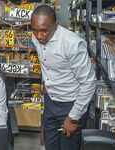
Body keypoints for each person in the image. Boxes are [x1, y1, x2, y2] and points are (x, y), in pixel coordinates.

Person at [30, 5, 96, 150]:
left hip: (71, 104)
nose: (39, 35)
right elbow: (45, 61)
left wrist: (74, 117)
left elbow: (89, 82)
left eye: (44, 31)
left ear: (55, 26)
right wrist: (46, 82)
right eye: (34, 29)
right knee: (51, 146)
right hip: (51, 102)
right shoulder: (36, 38)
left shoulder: (72, 44)